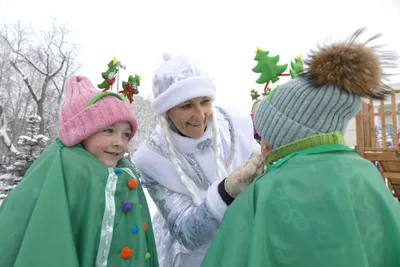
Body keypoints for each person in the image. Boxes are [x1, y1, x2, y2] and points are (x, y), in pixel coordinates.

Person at [201, 28, 400, 267]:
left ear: (286, 137)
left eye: (265, 137)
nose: (261, 145)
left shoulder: (263, 193)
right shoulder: (367, 175)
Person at [0, 76, 159, 267]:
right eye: (108, 130)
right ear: (81, 132)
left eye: (125, 134)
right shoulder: (68, 172)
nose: (120, 143)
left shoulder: (122, 174)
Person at [133, 53, 263, 267]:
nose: (200, 115)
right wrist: (226, 191)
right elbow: (187, 233)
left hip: (244, 244)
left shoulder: (234, 126)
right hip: (192, 257)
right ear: (167, 111)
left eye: (204, 102)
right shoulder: (153, 159)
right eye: (186, 106)